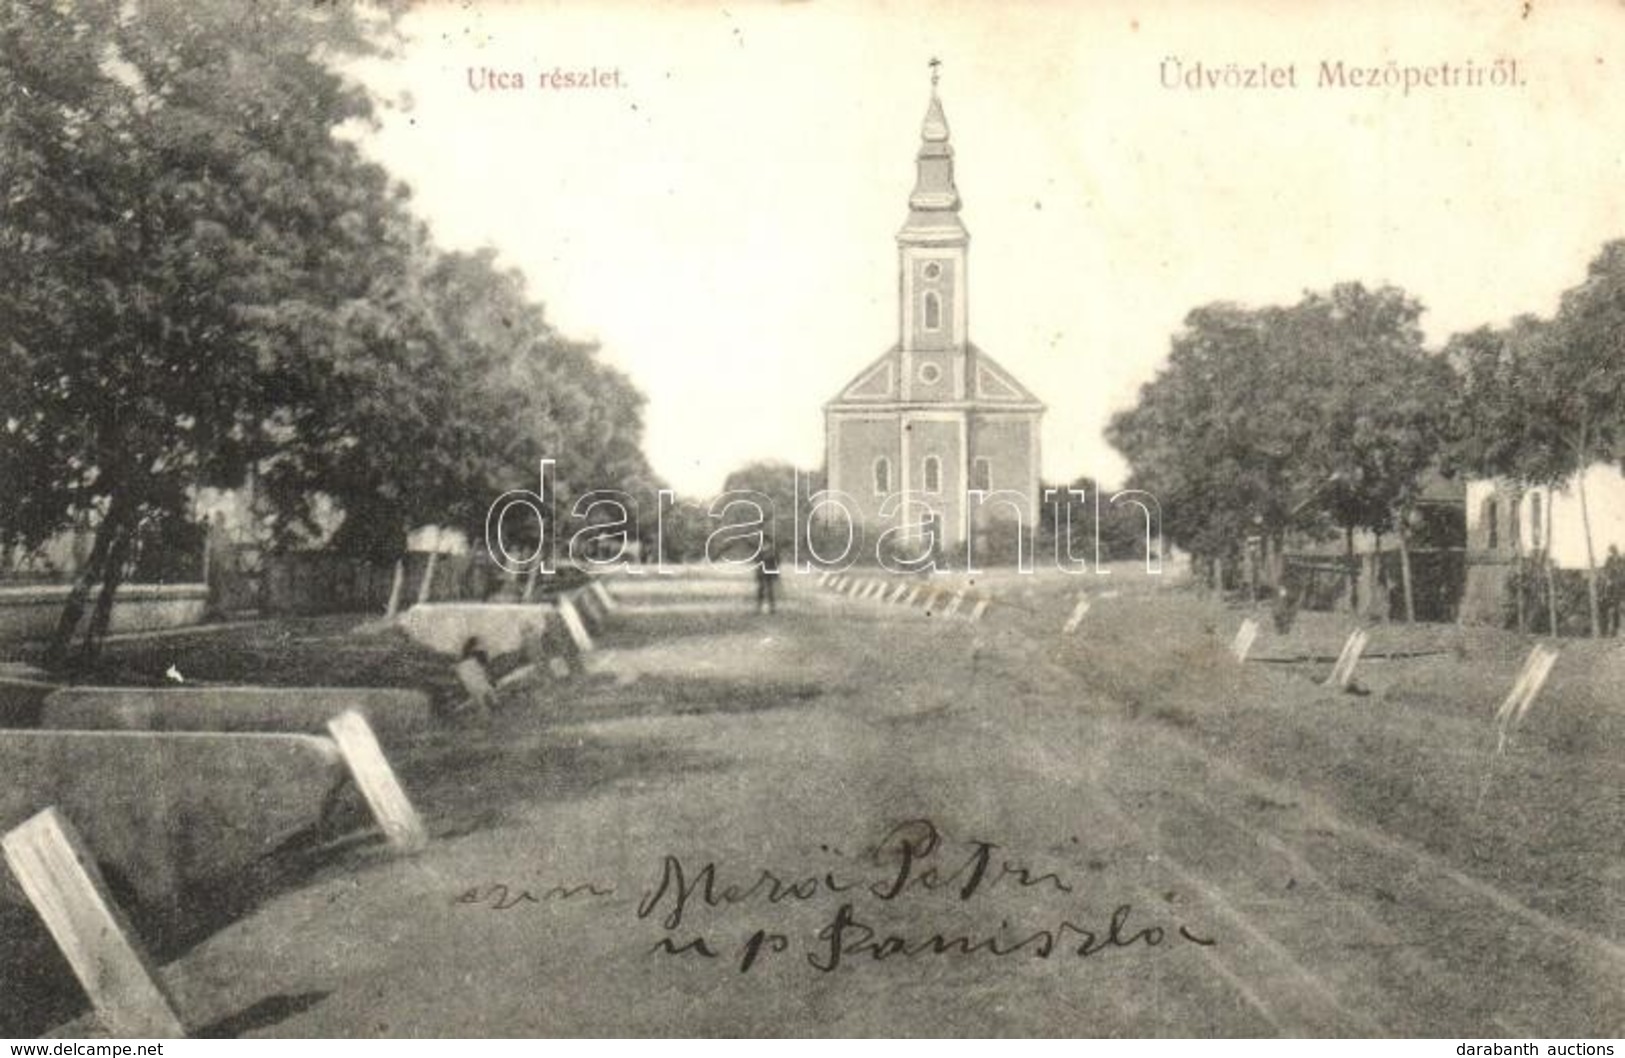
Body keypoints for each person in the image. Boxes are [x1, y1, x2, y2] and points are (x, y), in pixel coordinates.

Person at [756, 540, 780, 614]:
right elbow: (756, 560)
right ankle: (760, 607)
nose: (766, 544)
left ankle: (771, 607)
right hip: (762, 573)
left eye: (767, 543)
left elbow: (777, 561)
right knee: (761, 589)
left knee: (769, 590)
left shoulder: (773, 551)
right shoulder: (760, 551)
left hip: (769, 572)